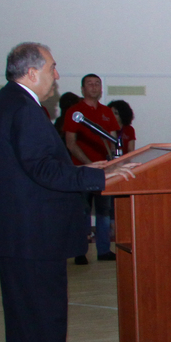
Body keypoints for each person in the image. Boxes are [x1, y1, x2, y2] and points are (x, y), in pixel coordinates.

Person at [0, 42, 135, 342]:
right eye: (52, 67)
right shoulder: (25, 109)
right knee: (46, 319)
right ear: (32, 72)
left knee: (23, 320)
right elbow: (42, 170)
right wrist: (99, 178)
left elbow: (32, 166)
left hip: (15, 233)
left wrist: (84, 170)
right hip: (34, 234)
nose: (57, 75)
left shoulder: (5, 104)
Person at [62, 73, 120, 264]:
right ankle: (80, 251)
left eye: (97, 84)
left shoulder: (107, 112)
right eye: (90, 84)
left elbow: (112, 140)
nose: (94, 87)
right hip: (82, 170)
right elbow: (70, 143)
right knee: (82, 212)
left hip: (104, 171)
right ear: (82, 89)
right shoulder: (75, 112)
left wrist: (110, 164)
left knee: (104, 211)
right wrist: (89, 163)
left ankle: (103, 250)